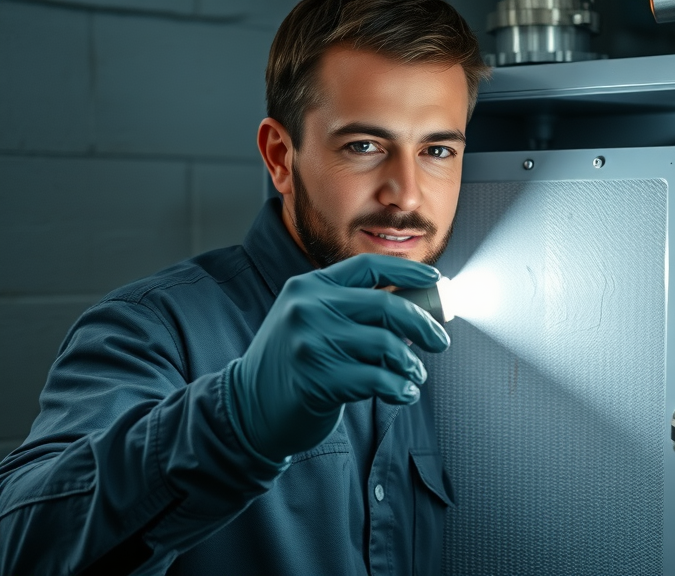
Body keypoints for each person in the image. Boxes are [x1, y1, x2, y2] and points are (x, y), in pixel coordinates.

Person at [0, 0, 489, 573]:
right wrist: (238, 417)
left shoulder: (443, 342)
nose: (406, 194)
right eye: (364, 146)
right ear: (281, 158)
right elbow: (19, 549)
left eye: (436, 150)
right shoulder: (151, 330)